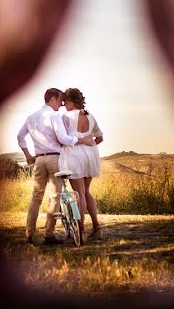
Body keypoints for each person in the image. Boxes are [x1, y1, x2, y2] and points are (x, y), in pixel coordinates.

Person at [17, 88, 97, 245]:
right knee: (55, 197)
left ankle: (29, 234)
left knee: (36, 197)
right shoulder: (54, 116)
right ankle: (49, 235)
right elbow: (63, 138)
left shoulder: (31, 117)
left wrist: (28, 155)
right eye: (60, 101)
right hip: (55, 159)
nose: (61, 105)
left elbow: (20, 136)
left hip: (39, 160)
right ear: (52, 99)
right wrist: (81, 140)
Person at [62, 87, 104, 241]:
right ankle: (97, 226)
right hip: (90, 154)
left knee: (78, 192)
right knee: (86, 191)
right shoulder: (90, 116)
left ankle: (81, 230)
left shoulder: (66, 117)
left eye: (65, 101)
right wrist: (89, 144)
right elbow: (100, 138)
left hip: (75, 155)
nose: (64, 104)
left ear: (71, 101)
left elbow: (62, 138)